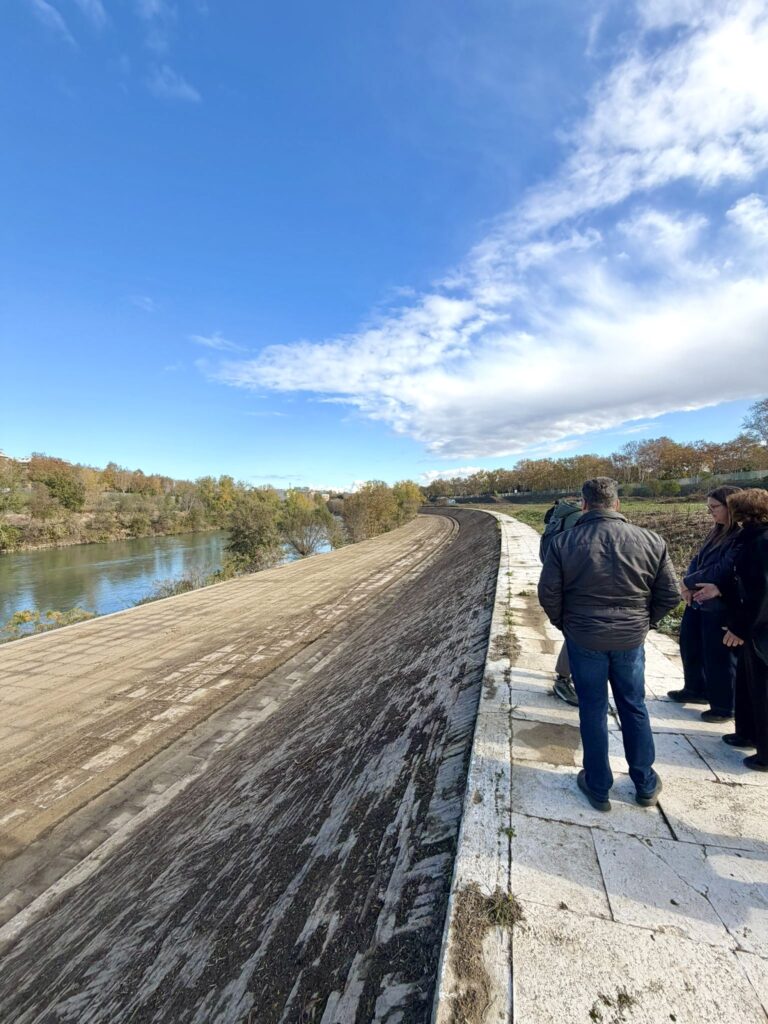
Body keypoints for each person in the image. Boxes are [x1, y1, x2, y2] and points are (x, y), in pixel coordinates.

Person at [538, 477, 680, 812]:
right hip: (630, 639)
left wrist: (567, 625)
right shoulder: (652, 540)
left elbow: (548, 594)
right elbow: (670, 594)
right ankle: (644, 781)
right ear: (617, 504)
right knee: (634, 705)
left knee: (593, 707)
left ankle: (598, 785)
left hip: (584, 636)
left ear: (584, 504)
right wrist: (645, 624)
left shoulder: (563, 542)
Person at [701, 489, 768, 771]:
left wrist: (740, 627)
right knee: (747, 682)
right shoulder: (751, 537)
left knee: (763, 688)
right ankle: (748, 733)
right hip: (751, 623)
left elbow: (761, 591)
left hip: (760, 627)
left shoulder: (761, 541)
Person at [668, 486, 743, 722]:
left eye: (715, 507)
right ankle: (695, 688)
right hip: (698, 600)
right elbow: (697, 560)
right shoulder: (717, 532)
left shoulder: (740, 536)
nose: (711, 512)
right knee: (691, 645)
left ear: (731, 507)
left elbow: (723, 569)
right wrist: (686, 584)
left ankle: (724, 705)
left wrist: (689, 581)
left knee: (719, 656)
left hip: (720, 605)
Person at [540, 497, 582, 706]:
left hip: (562, 580)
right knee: (576, 635)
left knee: (573, 634)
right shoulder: (579, 520)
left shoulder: (561, 515)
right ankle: (564, 680)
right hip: (575, 584)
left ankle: (565, 678)